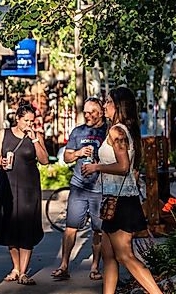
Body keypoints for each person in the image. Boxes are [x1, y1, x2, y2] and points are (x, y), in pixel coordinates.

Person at [82, 87, 163, 294]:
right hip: (114, 200)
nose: (104, 105)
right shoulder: (124, 130)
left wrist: (96, 167)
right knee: (109, 257)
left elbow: (124, 166)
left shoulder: (117, 131)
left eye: (108, 101)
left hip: (121, 202)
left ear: (118, 106)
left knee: (125, 255)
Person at [0, 100, 50, 285]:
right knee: (10, 227)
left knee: (26, 227)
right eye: (26, 121)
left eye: (32, 121)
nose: (29, 125)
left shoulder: (36, 135)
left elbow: (45, 160)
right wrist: (0, 161)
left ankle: (23, 272)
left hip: (29, 189)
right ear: (17, 119)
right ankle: (15, 267)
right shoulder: (4, 133)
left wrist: (34, 139)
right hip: (7, 186)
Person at [51, 97, 107, 281]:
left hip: (100, 189)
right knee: (70, 227)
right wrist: (78, 153)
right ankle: (64, 265)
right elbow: (66, 157)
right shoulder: (78, 131)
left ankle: (94, 268)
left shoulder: (108, 131)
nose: (88, 115)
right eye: (86, 112)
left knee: (98, 229)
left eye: (92, 112)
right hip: (79, 186)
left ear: (101, 112)